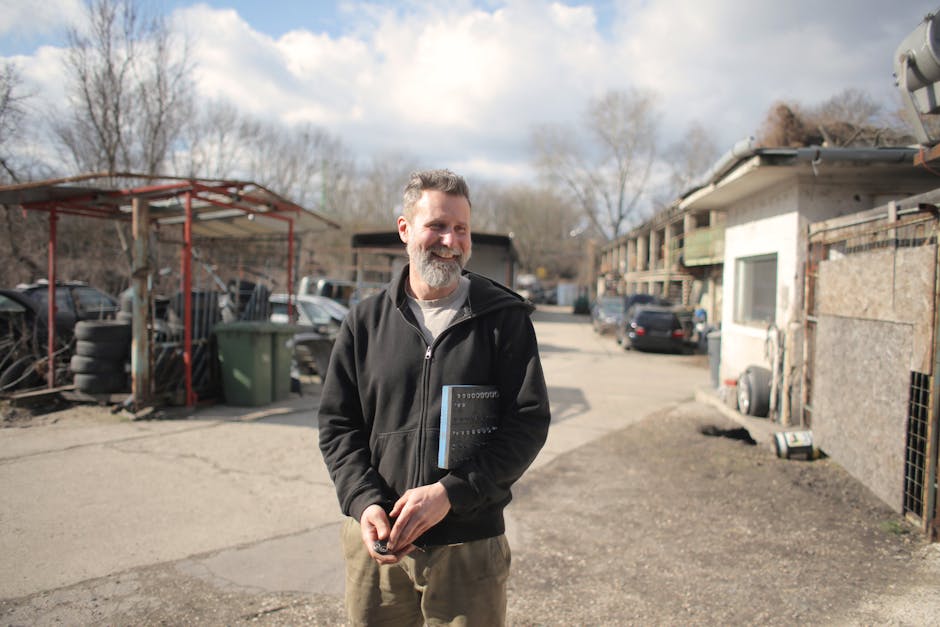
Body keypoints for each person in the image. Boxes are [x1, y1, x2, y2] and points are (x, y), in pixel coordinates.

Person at [318, 168, 551, 626]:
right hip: (379, 543)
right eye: (437, 226)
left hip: (469, 544)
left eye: (461, 228)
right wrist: (363, 500)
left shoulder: (504, 320)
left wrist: (451, 493)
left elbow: (527, 424)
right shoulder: (363, 323)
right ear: (405, 230)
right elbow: (338, 425)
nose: (451, 240)